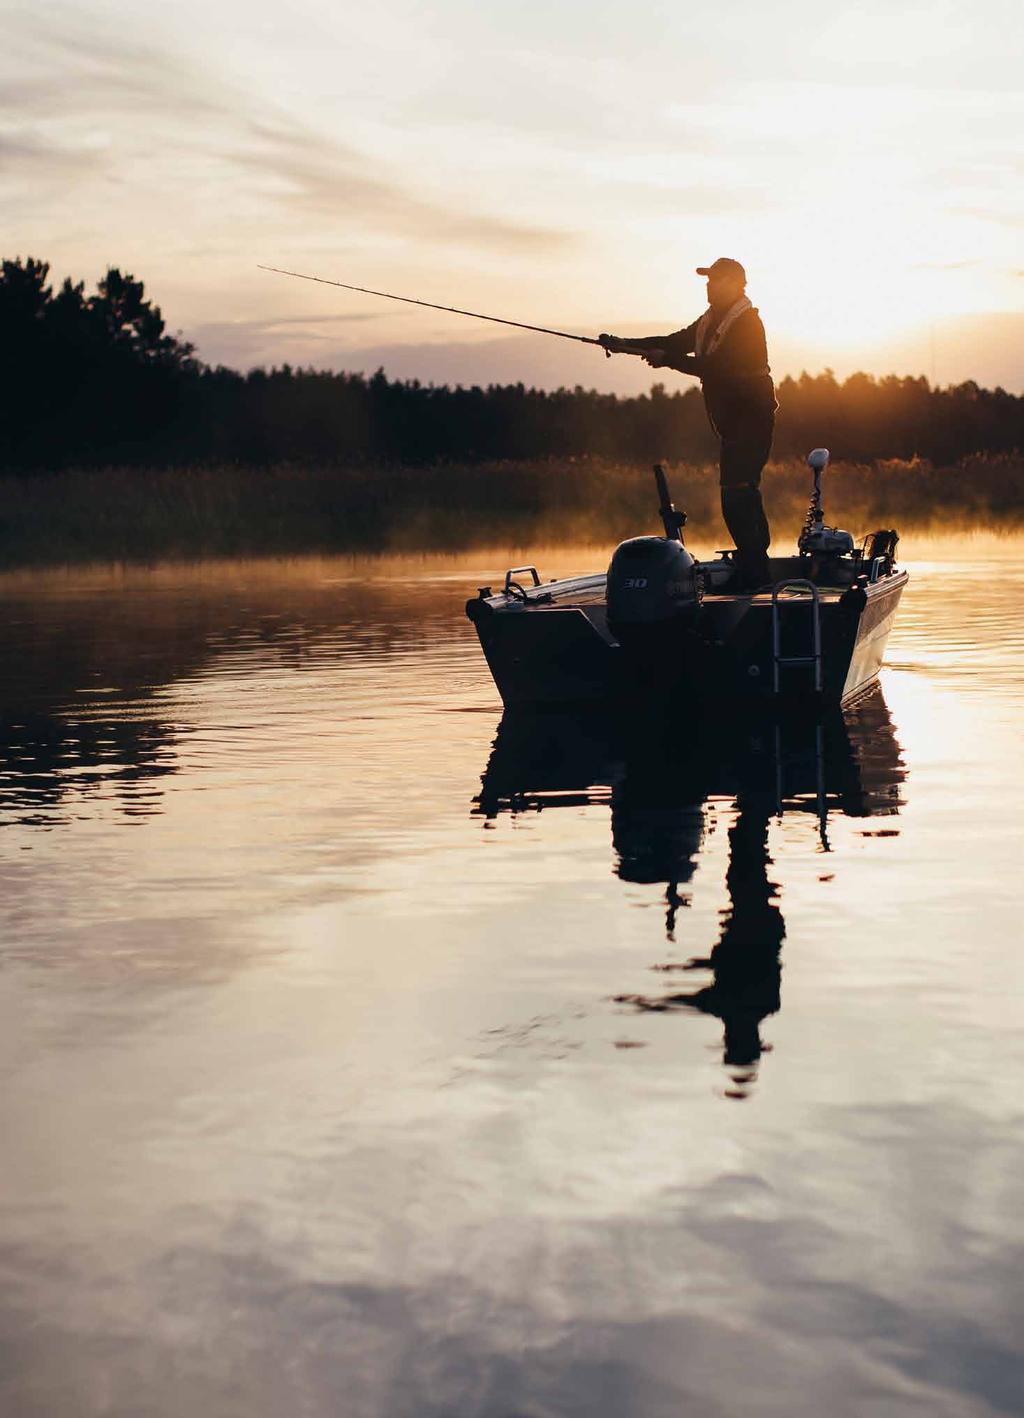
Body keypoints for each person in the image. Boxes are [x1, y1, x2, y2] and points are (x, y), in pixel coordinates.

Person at [600, 257, 778, 589]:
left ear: (734, 284)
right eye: (708, 280)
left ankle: (756, 573)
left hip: (752, 419)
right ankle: (754, 567)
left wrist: (669, 362)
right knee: (737, 493)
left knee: (739, 493)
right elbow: (673, 341)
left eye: (715, 280)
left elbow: (717, 367)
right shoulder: (712, 320)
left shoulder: (748, 325)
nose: (709, 285)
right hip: (732, 422)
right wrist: (621, 344)